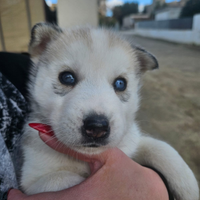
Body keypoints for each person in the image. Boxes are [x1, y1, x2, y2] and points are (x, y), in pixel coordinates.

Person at [0, 52, 173, 200]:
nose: (98, 123)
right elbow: (33, 181)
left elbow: (140, 152)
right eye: (67, 78)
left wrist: (161, 187)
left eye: (119, 84)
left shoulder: (15, 69)